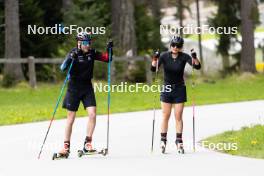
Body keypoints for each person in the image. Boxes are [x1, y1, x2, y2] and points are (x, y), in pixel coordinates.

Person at [57, 32, 113, 157]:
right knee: (70, 118)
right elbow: (62, 68)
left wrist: (109, 50)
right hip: (73, 88)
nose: (87, 45)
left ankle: (88, 144)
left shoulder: (91, 53)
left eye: (89, 43)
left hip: (87, 87)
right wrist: (71, 57)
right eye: (85, 43)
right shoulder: (73, 53)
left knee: (92, 114)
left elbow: (107, 59)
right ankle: (66, 146)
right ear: (79, 43)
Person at [151, 36, 201, 153]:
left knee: (178, 116)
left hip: (179, 88)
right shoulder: (164, 56)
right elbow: (153, 69)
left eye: (178, 46)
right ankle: (163, 140)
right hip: (167, 88)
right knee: (166, 115)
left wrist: (195, 57)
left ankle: (179, 141)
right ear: (170, 45)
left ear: (181, 47)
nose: (175, 47)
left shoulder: (184, 57)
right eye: (173, 45)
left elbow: (197, 66)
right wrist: (155, 58)